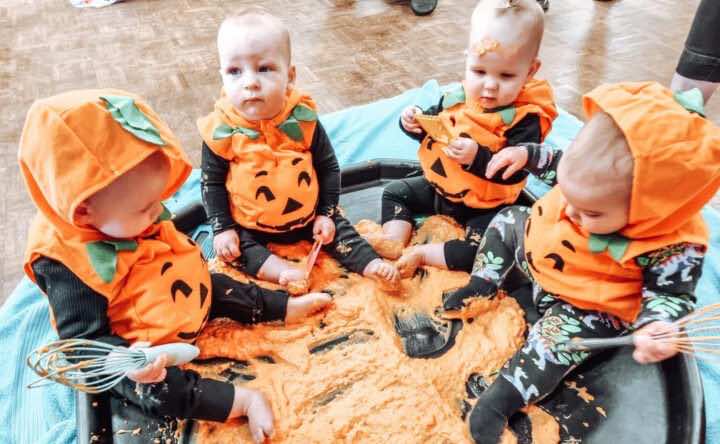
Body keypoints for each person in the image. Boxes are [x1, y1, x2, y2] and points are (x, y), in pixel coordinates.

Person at [19, 89, 332, 443]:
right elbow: (84, 349)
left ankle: (282, 307)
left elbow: (184, 270)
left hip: (178, 295)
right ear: (82, 209)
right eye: (144, 210)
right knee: (158, 392)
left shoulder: (122, 210)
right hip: (144, 352)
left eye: (160, 202)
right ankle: (238, 401)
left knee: (214, 285)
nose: (159, 214)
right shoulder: (69, 265)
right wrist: (126, 362)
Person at [441, 82, 718, 443]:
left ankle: (503, 397)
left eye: (589, 212)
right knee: (508, 220)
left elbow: (670, 294)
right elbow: (558, 164)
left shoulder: (671, 245)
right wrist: (527, 155)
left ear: (649, 213)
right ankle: (483, 282)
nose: (568, 211)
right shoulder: (589, 177)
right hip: (538, 258)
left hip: (583, 305)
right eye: (567, 196)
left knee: (553, 342)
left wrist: (657, 325)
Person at [198, 9, 399, 291]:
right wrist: (222, 228)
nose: (250, 82)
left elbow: (328, 167)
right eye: (234, 71)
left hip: (309, 216)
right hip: (250, 226)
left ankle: (370, 263)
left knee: (339, 231)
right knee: (235, 249)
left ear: (289, 76)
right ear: (222, 76)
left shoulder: (303, 120)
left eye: (264, 68)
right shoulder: (219, 132)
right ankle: (280, 270)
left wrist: (326, 213)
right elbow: (211, 184)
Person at [369, 0, 556, 278]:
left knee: (485, 252)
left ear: (530, 71)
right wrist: (414, 121)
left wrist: (476, 158)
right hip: (443, 188)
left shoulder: (526, 118)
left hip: (487, 205)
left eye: (506, 76)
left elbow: (515, 174)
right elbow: (434, 126)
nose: (489, 85)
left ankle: (422, 254)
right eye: (479, 72)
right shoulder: (459, 95)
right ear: (467, 58)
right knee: (394, 192)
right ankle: (394, 245)